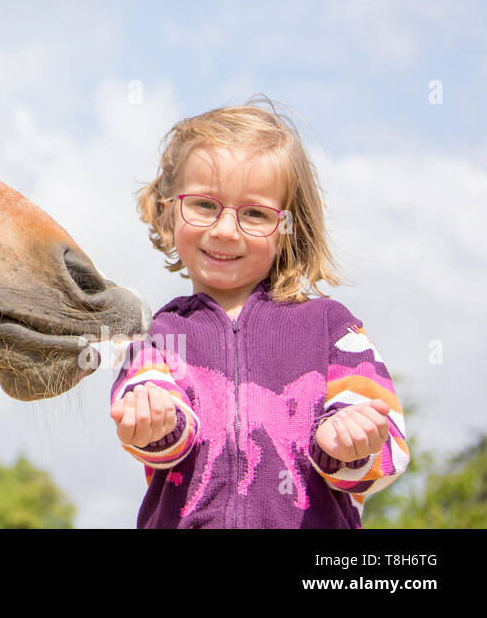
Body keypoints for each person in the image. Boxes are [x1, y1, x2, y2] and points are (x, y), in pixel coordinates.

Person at [109, 99, 408, 528]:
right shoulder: (156, 337)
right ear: (167, 209)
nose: (226, 229)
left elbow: (388, 449)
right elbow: (156, 435)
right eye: (204, 205)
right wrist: (154, 423)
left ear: (289, 228)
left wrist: (348, 444)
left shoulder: (332, 329)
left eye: (254, 213)